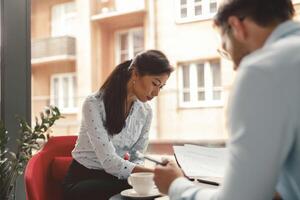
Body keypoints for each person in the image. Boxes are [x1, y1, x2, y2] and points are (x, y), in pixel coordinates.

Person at [154, 0, 300, 199]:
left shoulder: (262, 69)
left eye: (226, 47)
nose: (234, 66)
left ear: (236, 26)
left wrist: (175, 185)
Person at [62, 50, 174, 200]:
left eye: (161, 87)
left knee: (147, 191)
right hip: (82, 181)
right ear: (135, 74)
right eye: (155, 83)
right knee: (149, 192)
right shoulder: (93, 103)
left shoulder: (145, 111)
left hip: (115, 179)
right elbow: (109, 161)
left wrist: (144, 176)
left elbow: (137, 156)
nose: (156, 93)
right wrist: (157, 174)